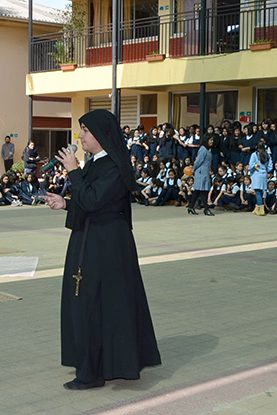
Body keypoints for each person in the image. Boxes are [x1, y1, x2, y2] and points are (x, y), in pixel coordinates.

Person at [39, 109, 160, 390]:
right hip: (90, 239)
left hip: (107, 245)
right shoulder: (95, 163)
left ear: (102, 135)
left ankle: (95, 372)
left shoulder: (115, 166)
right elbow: (89, 199)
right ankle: (93, 363)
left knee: (97, 301)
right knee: (87, 301)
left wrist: (73, 171)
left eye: (85, 131)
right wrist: (65, 203)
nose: (80, 136)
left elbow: (93, 200)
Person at [187, 134, 215, 216]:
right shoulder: (203, 149)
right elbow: (198, 161)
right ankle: (206, 209)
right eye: (210, 140)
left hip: (205, 171)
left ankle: (191, 207)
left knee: (197, 191)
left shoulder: (207, 149)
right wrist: (194, 169)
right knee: (203, 190)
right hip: (201, 172)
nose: (212, 142)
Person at [248, 142, 271, 216]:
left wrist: (254, 168)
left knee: (257, 191)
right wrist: (266, 171)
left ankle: (261, 209)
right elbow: (270, 166)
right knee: (261, 191)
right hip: (264, 174)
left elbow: (251, 166)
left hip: (256, 174)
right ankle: (257, 208)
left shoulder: (254, 154)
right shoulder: (267, 155)